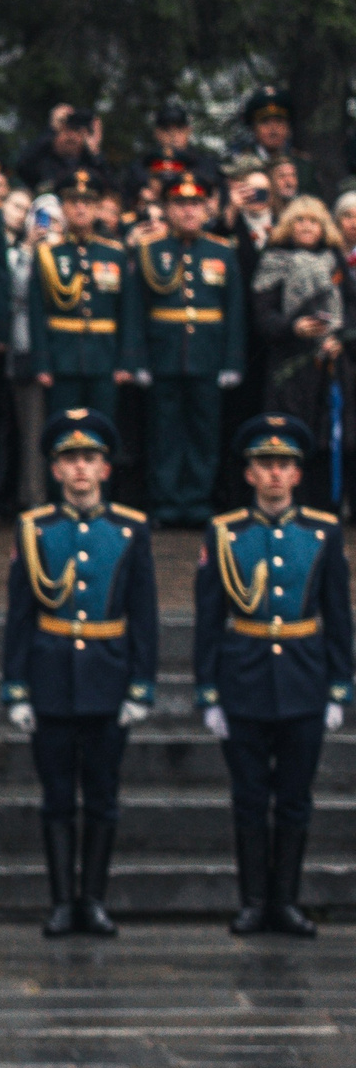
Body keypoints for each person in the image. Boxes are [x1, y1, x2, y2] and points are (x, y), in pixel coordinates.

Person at [1, 411, 156, 938]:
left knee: (104, 797)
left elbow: (145, 614)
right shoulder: (34, 528)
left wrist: (142, 684)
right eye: (70, 460)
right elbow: (19, 613)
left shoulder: (130, 530)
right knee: (58, 798)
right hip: (50, 679)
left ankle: (94, 898)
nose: (81, 469)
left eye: (89, 459)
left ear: (105, 469)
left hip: (109, 680)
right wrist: (15, 686)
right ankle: (62, 900)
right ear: (56, 471)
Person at [196, 414, 350, 937]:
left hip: (304, 679)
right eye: (266, 465)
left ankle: (286, 900)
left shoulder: (323, 533)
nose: (276, 475)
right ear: (249, 475)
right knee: (249, 797)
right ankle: (253, 900)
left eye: (285, 465)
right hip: (243, 677)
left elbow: (338, 616)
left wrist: (338, 686)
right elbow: (209, 620)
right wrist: (208, 691)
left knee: (295, 798)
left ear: (298, 474)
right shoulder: (224, 533)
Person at [125, 175, 244, 526]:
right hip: (164, 355)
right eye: (180, 204)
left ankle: (198, 501)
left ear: (207, 208)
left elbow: (234, 310)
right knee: (164, 432)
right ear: (167, 209)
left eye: (195, 204)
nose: (188, 211)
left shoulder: (222, 251)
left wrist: (233, 360)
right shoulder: (150, 250)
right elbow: (136, 310)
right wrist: (138, 360)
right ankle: (165, 501)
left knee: (204, 432)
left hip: (208, 355)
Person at [28, 169, 131, 421]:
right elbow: (36, 311)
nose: (81, 209)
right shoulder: (47, 254)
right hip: (61, 357)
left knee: (103, 427)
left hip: (104, 357)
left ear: (98, 209)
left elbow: (128, 311)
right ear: (63, 208)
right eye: (74, 202)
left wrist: (126, 361)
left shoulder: (114, 253)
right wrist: (42, 363)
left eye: (88, 203)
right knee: (62, 427)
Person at [250, 195, 343, 450]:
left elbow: (347, 311)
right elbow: (263, 316)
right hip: (286, 365)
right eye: (299, 220)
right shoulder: (273, 260)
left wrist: (337, 338)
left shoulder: (336, 262)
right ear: (288, 226)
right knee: (287, 439)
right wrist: (293, 327)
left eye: (314, 221)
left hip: (327, 364)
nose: (306, 226)